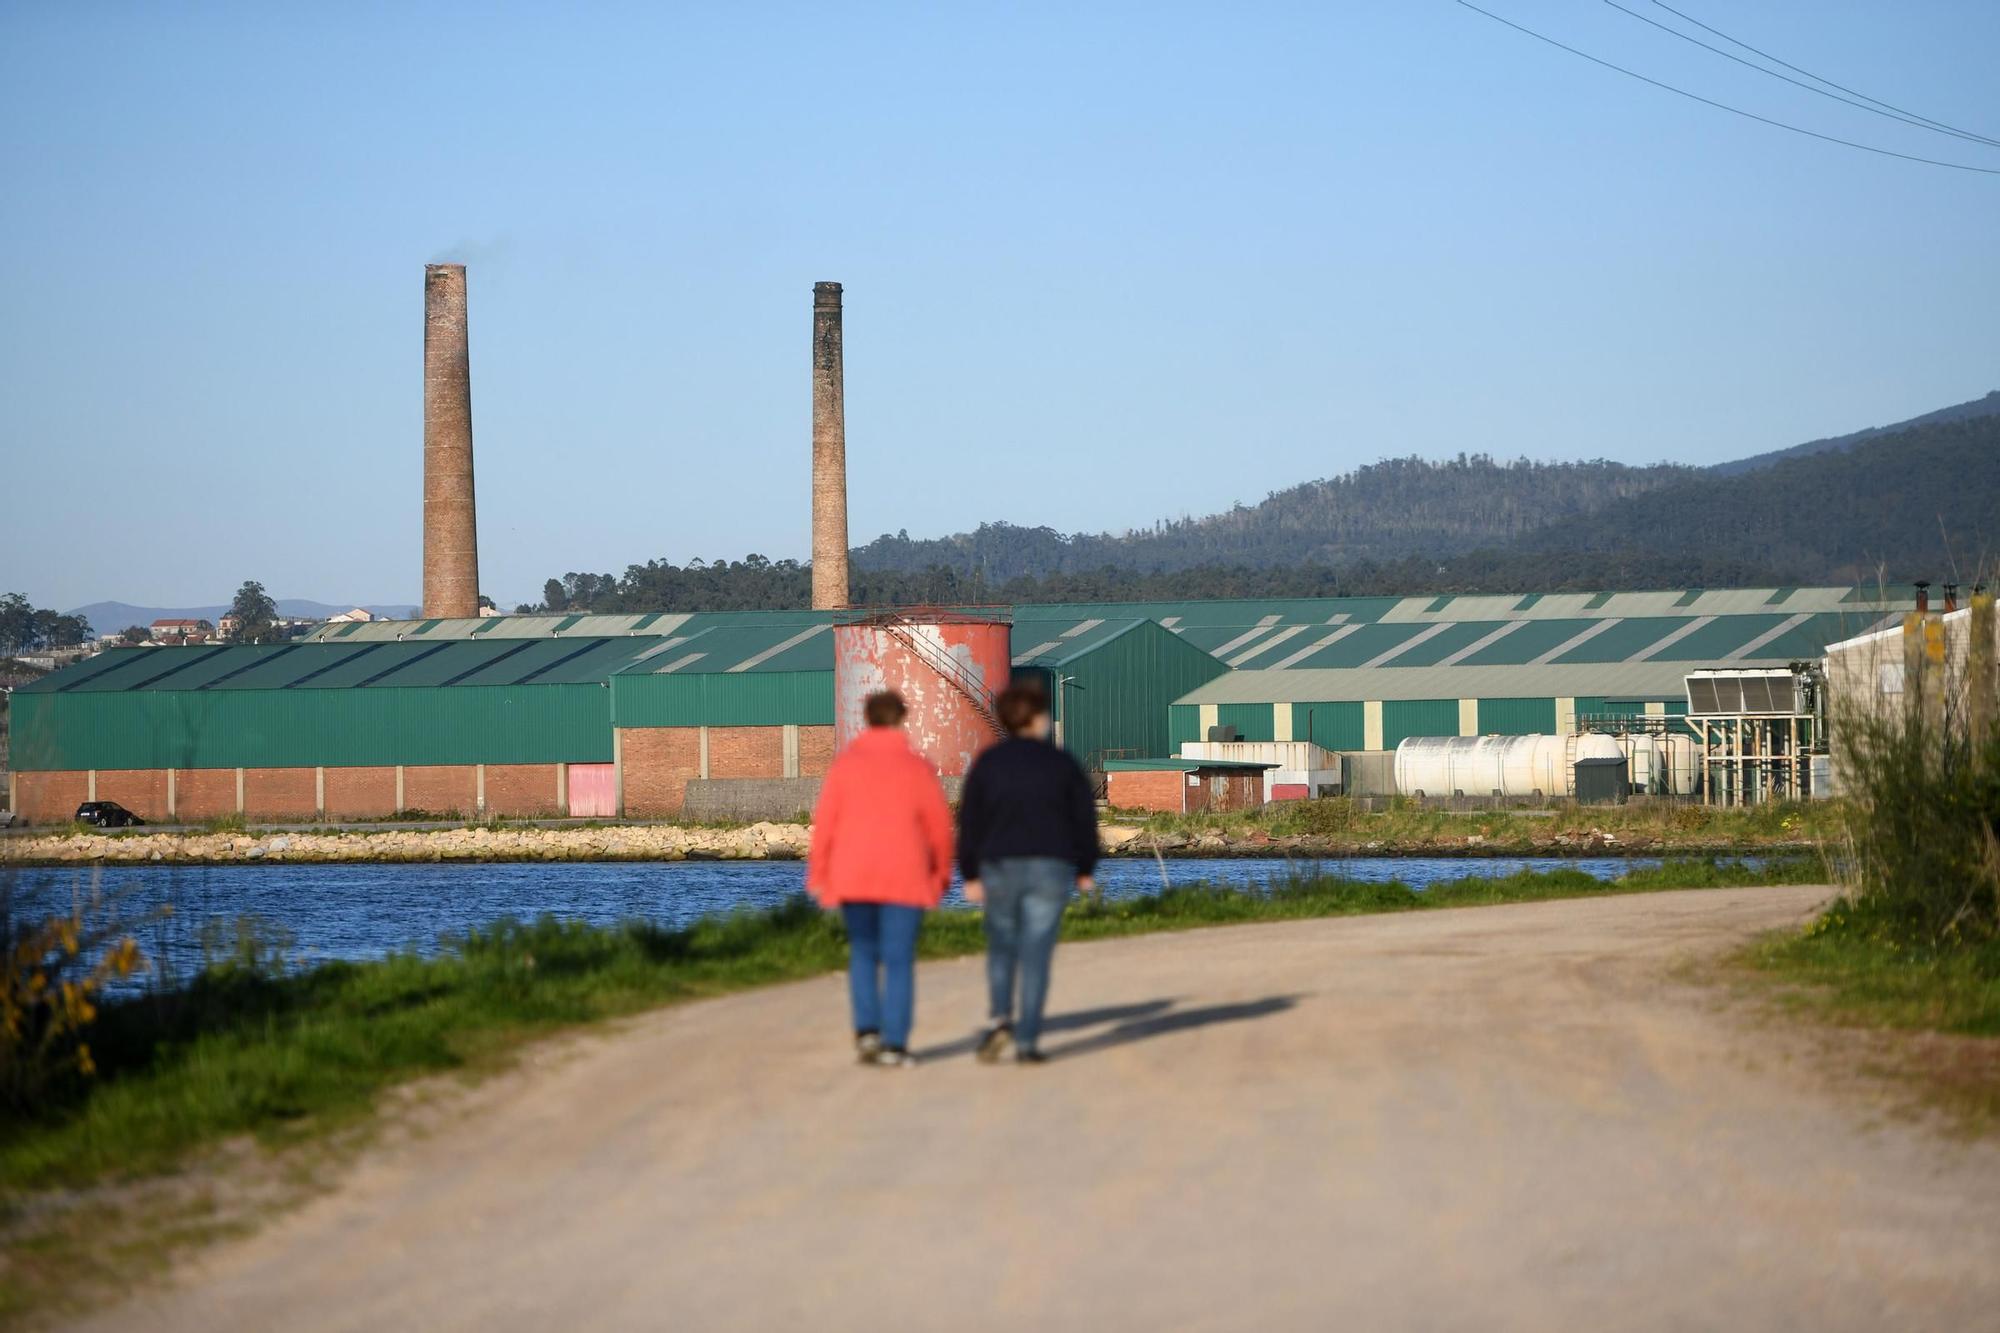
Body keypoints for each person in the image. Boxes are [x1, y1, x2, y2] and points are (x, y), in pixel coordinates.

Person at [807, 689, 954, 1068]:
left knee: (863, 951)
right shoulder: (916, 766)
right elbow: (939, 827)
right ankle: (894, 1043)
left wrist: (819, 874)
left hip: (854, 875)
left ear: (867, 718)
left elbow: (826, 824)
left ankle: (866, 1031)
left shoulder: (846, 765)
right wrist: (941, 874)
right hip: (905, 875)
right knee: (899, 958)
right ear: (901, 718)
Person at [957, 681, 1100, 1064]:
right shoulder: (1062, 763)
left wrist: (969, 872)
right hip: (1050, 867)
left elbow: (970, 821)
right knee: (1036, 953)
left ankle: (1001, 1017)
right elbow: (1084, 819)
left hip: (999, 865)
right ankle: (1027, 1043)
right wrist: (1086, 867)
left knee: (1002, 946)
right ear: (1039, 719)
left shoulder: (987, 763)